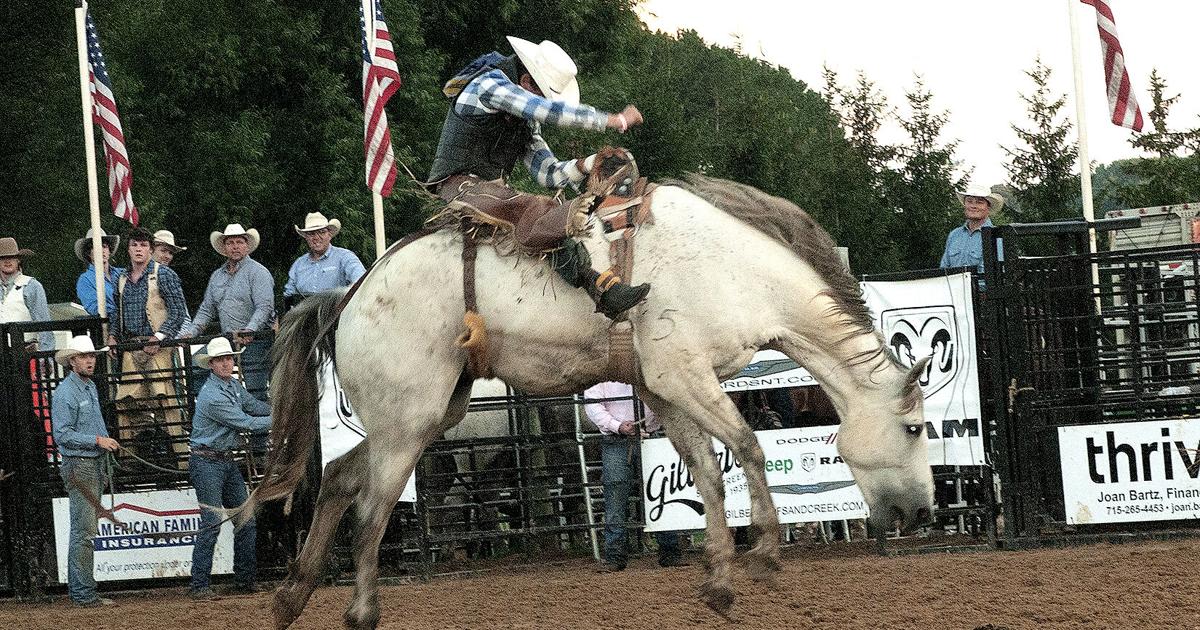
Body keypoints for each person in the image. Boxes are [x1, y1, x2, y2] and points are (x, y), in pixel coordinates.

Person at [428, 37, 649, 320]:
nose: (542, 103)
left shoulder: (524, 122)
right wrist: (614, 120)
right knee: (537, 208)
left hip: (490, 195)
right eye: (542, 95)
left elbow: (549, 173)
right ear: (526, 83)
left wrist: (590, 163)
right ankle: (599, 287)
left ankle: (597, 285)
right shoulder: (489, 85)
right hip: (458, 187)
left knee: (544, 217)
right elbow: (548, 112)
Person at [187, 336, 271, 600]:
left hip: (219, 460)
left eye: (229, 358)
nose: (227, 363)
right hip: (208, 461)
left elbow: (252, 407)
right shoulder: (212, 396)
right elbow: (245, 421)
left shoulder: (231, 386)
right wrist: (281, 416)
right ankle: (200, 585)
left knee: (244, 519)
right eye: (221, 360)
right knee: (213, 522)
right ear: (211, 364)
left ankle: (242, 581)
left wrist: (275, 409)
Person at [107, 228, 190, 465]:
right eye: (134, 245)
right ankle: (130, 461)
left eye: (143, 246)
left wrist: (160, 336)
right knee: (126, 403)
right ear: (129, 249)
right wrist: (113, 335)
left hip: (158, 347)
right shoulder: (121, 278)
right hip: (131, 346)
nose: (139, 250)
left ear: (150, 250)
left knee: (166, 401)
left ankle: (181, 460)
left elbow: (178, 311)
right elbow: (116, 313)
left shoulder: (164, 275)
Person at [584, 381, 686, 572]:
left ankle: (619, 555)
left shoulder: (604, 373)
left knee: (621, 496)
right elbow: (592, 404)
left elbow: (593, 404)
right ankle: (667, 550)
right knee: (658, 493)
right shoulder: (629, 367)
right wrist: (618, 426)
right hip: (630, 437)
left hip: (630, 437)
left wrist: (617, 425)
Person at [51, 335, 120, 607]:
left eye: (91, 356)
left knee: (84, 529)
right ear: (72, 361)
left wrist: (102, 441)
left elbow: (85, 426)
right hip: (80, 465)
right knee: (84, 531)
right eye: (84, 356)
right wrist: (98, 441)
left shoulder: (87, 387)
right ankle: (83, 593)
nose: (90, 360)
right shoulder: (67, 393)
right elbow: (62, 435)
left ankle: (83, 590)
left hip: (89, 463)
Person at [182, 224, 274, 401]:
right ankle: (216, 408)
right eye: (230, 242)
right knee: (194, 368)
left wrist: (250, 329)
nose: (235, 246)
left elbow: (264, 307)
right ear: (224, 247)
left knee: (255, 389)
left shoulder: (258, 272)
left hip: (255, 340)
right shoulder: (217, 275)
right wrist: (192, 332)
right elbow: (207, 309)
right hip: (227, 339)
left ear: (247, 246)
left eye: (239, 242)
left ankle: (261, 427)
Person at [282, 212, 366, 309]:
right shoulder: (299, 264)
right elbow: (289, 295)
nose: (316, 237)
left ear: (329, 234)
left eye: (321, 232)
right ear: (306, 238)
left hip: (337, 317)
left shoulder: (345, 257)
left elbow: (360, 281)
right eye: (311, 234)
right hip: (305, 319)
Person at [0, 237, 55, 350]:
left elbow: (44, 325)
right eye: (3, 258)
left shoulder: (31, 286)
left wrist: (46, 356)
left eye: (12, 257)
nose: (7, 261)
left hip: (26, 351)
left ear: (18, 260)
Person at [940, 184, 1005, 275]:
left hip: (983, 289)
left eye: (979, 202)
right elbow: (944, 269)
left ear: (988, 207)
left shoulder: (996, 236)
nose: (973, 206)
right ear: (965, 204)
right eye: (969, 201)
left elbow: (999, 273)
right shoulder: (954, 235)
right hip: (953, 288)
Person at [74, 228, 124, 316]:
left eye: (104, 246)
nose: (101, 250)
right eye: (96, 246)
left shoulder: (123, 273)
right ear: (89, 253)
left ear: (109, 251)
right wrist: (124, 313)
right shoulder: (85, 280)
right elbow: (95, 308)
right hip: (107, 327)